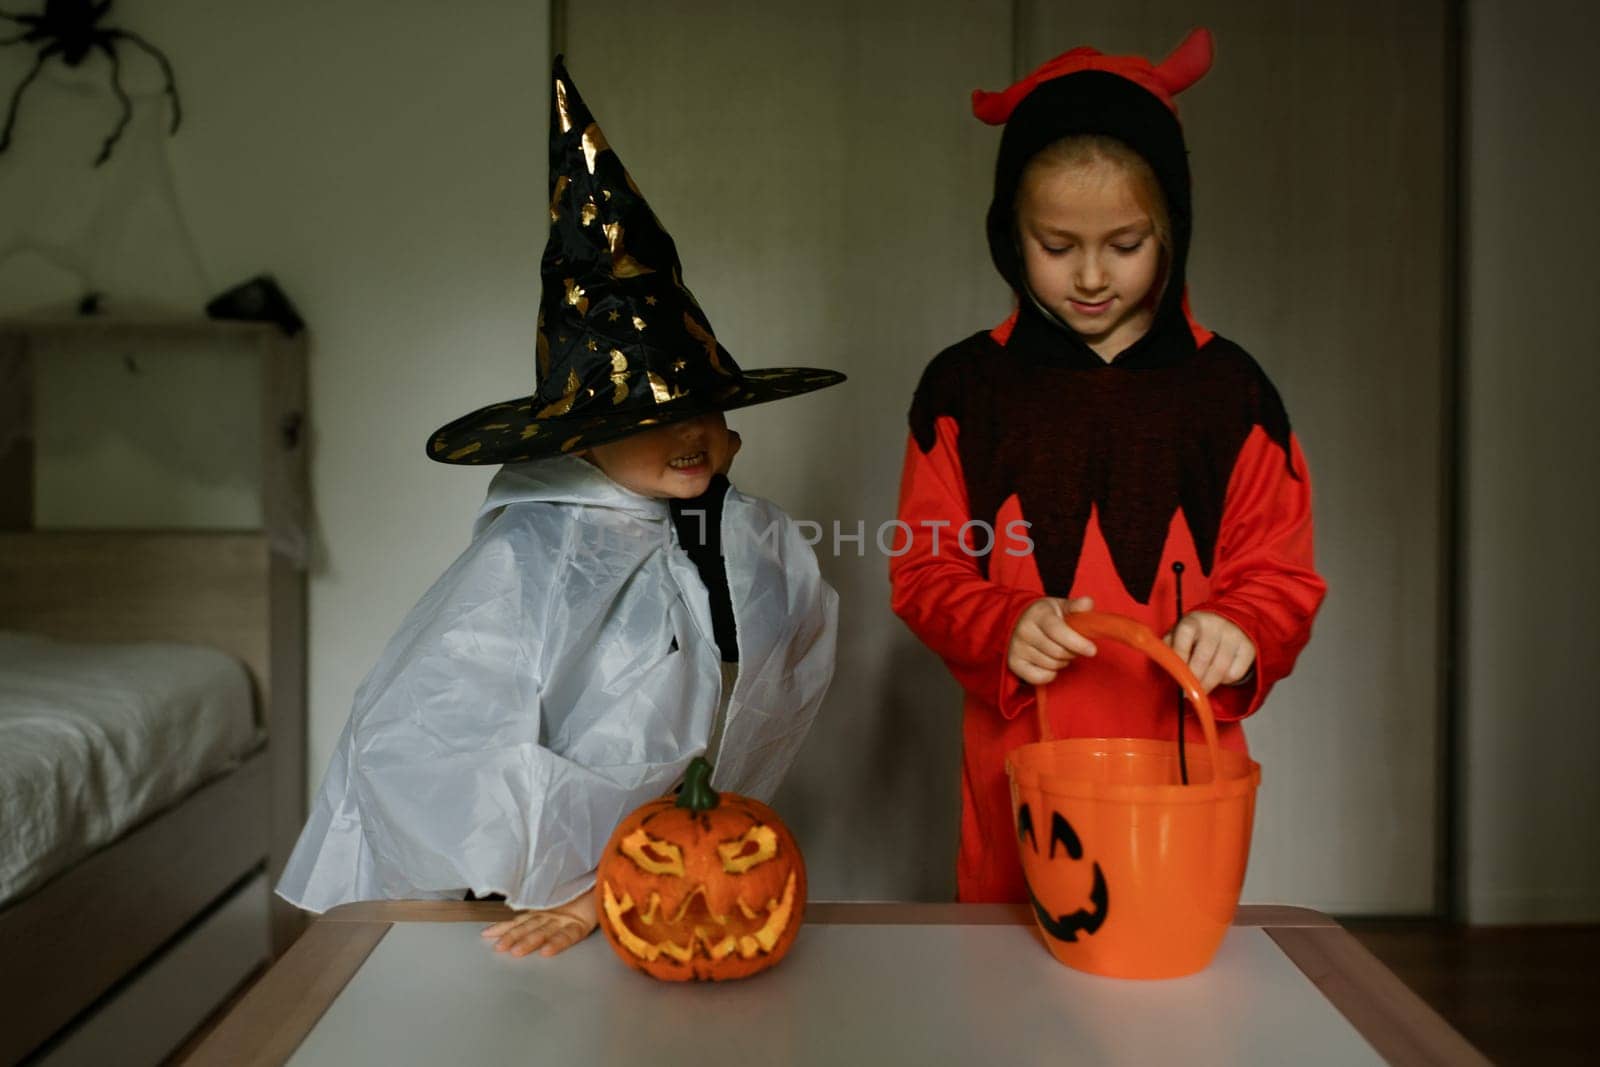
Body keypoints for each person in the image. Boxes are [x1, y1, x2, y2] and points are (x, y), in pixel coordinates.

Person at [277, 57, 844, 957]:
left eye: (707, 410)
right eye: (649, 419)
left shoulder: (751, 537)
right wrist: (562, 880)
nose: (692, 435)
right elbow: (432, 733)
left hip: (662, 873)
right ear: (578, 437)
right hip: (513, 891)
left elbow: (761, 699)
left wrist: (641, 869)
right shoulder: (530, 557)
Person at [890, 29, 1326, 903]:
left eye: (1125, 244)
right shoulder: (962, 389)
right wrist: (999, 623)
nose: (1091, 275)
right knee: (1012, 1008)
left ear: (1173, 230)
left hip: (1182, 783)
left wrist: (1243, 626)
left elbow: (1280, 573)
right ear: (1011, 237)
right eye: (1057, 246)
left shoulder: (1231, 393)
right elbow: (924, 569)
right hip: (1022, 785)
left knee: (1168, 1006)